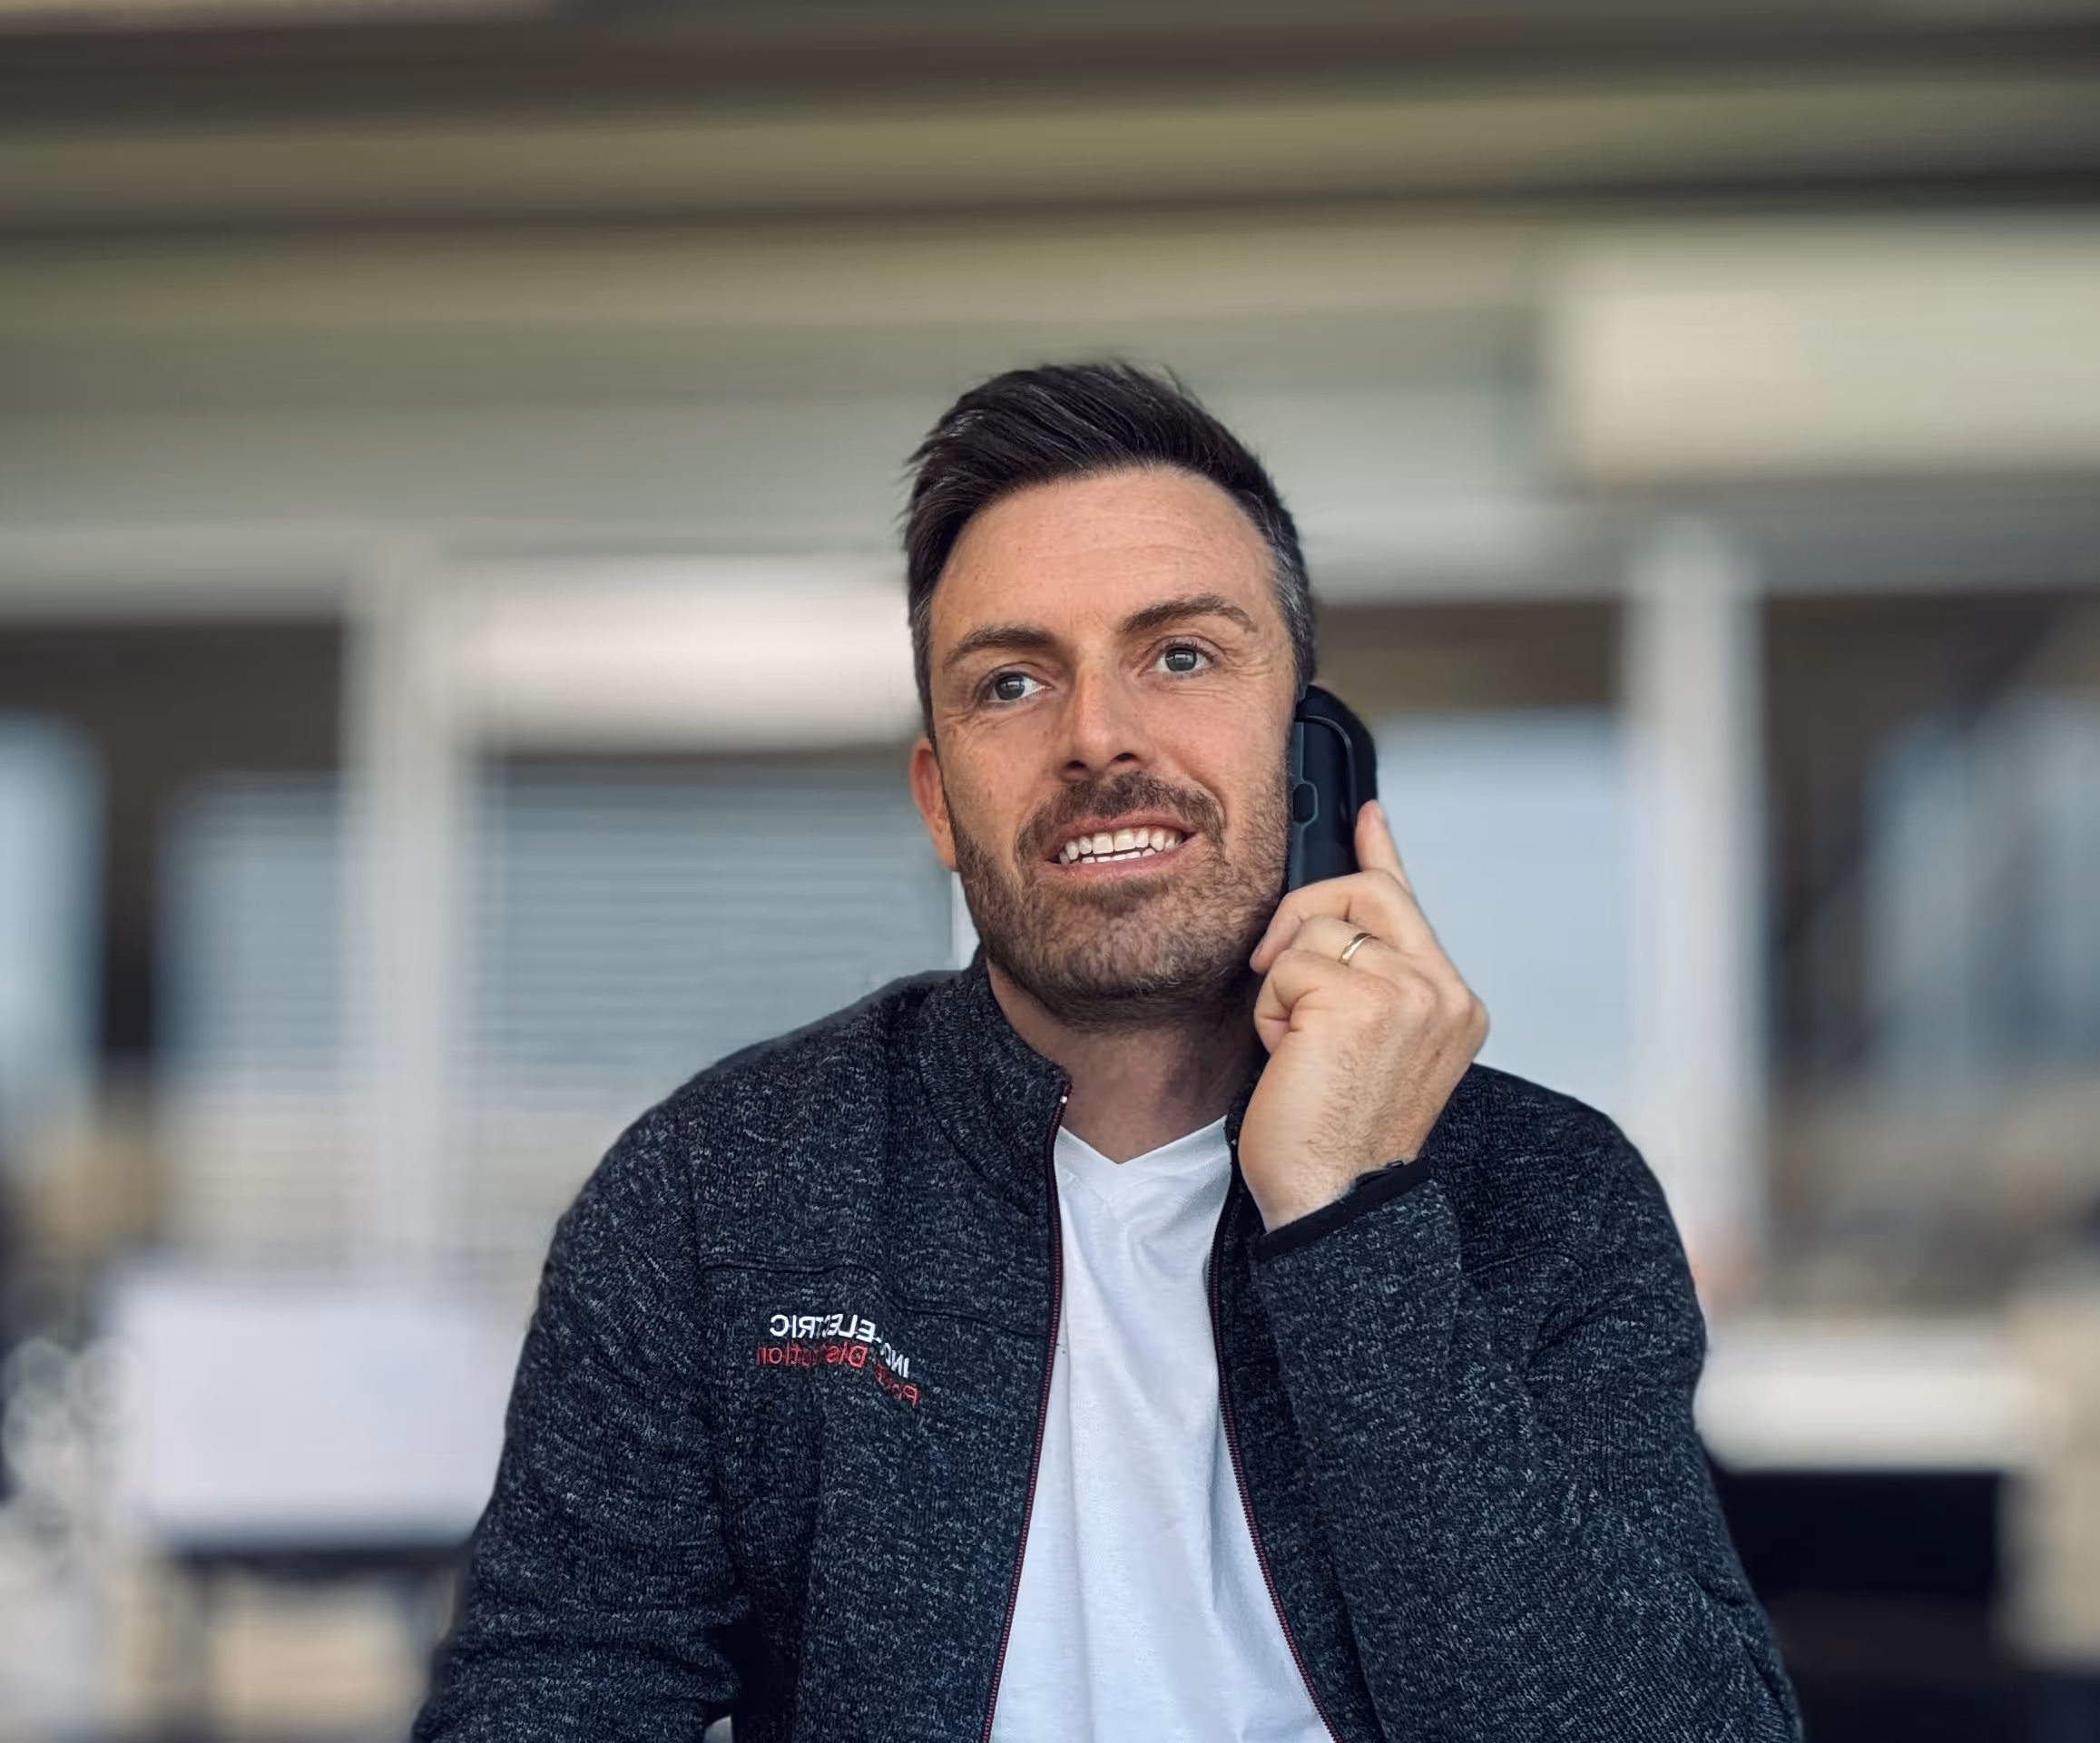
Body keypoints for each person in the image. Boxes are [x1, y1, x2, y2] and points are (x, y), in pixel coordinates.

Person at [412, 363, 1801, 1742]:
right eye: (1011, 682)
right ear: (938, 798)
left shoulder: (1542, 1194)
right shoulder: (718, 1190)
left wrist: (1349, 1216)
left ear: (1309, 755)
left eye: (1179, 656)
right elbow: (542, 1699)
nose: (1096, 738)